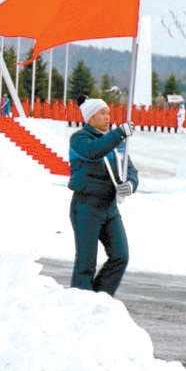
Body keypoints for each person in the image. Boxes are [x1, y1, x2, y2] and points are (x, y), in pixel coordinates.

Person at [67, 97, 137, 297]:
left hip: (109, 208)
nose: (108, 117)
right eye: (102, 113)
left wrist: (130, 185)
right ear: (90, 117)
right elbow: (93, 152)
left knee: (120, 256)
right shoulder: (80, 139)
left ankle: (99, 300)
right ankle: (80, 304)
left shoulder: (116, 142)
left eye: (108, 112)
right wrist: (119, 133)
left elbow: (130, 169)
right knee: (86, 263)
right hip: (86, 206)